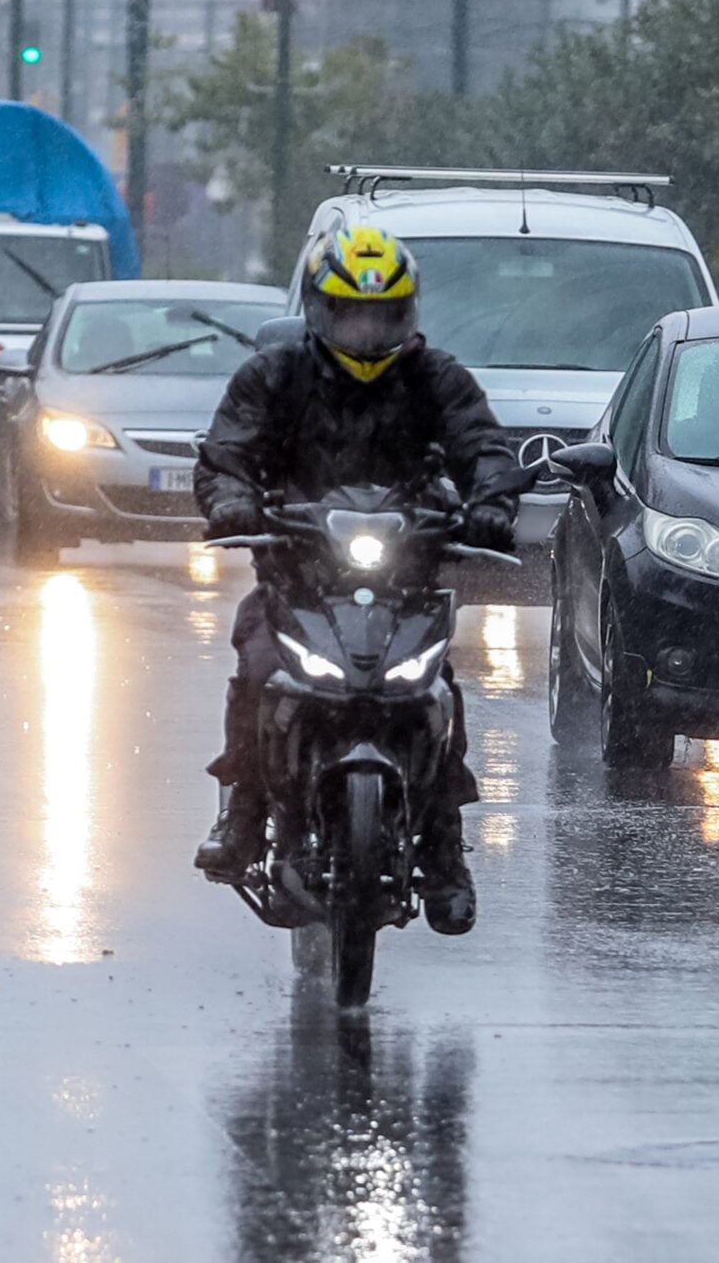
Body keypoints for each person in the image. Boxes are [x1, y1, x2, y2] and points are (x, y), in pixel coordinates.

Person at [191, 225, 519, 935]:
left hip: (407, 580)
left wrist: (492, 502)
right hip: (296, 574)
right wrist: (232, 501)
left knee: (436, 688)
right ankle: (244, 811)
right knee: (260, 665)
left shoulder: (435, 377)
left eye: (383, 316)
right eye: (351, 315)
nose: (367, 332)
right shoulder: (274, 376)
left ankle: (445, 847)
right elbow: (225, 453)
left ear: (408, 313)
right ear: (320, 310)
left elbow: (484, 445)